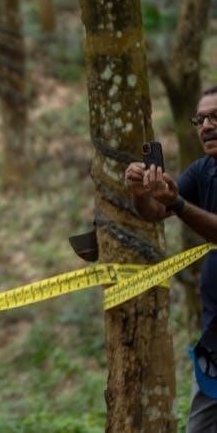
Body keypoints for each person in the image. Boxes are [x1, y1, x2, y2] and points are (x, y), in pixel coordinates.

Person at [124, 86, 217, 432]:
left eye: (216, 117)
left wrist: (177, 204)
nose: (206, 126)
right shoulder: (202, 171)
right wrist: (141, 193)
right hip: (214, 339)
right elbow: (155, 212)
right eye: (200, 119)